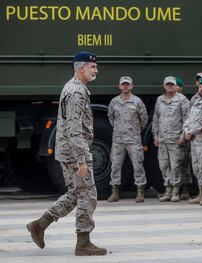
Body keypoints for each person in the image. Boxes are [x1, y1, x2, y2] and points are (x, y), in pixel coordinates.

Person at [26, 52, 107, 256]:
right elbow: (74, 130)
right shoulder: (77, 92)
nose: (96, 70)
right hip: (74, 153)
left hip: (67, 152)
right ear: (81, 68)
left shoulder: (73, 87)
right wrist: (82, 160)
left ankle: (40, 224)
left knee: (74, 194)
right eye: (92, 67)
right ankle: (83, 242)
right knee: (88, 195)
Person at [107, 76, 148, 203]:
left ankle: (140, 192)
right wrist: (120, 129)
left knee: (138, 165)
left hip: (133, 139)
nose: (125, 86)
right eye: (123, 84)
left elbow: (144, 120)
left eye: (127, 84)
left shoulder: (137, 102)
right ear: (120, 86)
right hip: (118, 140)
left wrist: (134, 131)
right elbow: (110, 117)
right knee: (115, 166)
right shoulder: (114, 102)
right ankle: (115, 193)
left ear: (131, 86)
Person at [152, 76, 190, 202]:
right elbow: (156, 119)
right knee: (164, 165)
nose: (170, 86)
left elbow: (187, 119)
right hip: (162, 139)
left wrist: (182, 136)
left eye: (172, 84)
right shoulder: (160, 100)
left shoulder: (182, 99)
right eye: (167, 84)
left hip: (175, 139)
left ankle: (175, 191)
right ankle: (167, 190)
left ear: (175, 86)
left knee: (175, 166)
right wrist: (155, 135)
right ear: (164, 86)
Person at [184, 77, 202, 204]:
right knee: (196, 167)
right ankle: (201, 192)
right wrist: (186, 130)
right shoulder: (196, 101)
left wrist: (191, 132)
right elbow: (189, 119)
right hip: (193, 140)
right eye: (199, 87)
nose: (200, 90)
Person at [175, 77, 193, 200]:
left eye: (177, 85)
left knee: (184, 163)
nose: (174, 87)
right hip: (171, 137)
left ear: (180, 88)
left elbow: (187, 120)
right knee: (174, 164)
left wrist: (183, 136)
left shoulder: (184, 101)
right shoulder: (165, 99)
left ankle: (186, 188)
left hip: (182, 137)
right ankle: (176, 188)